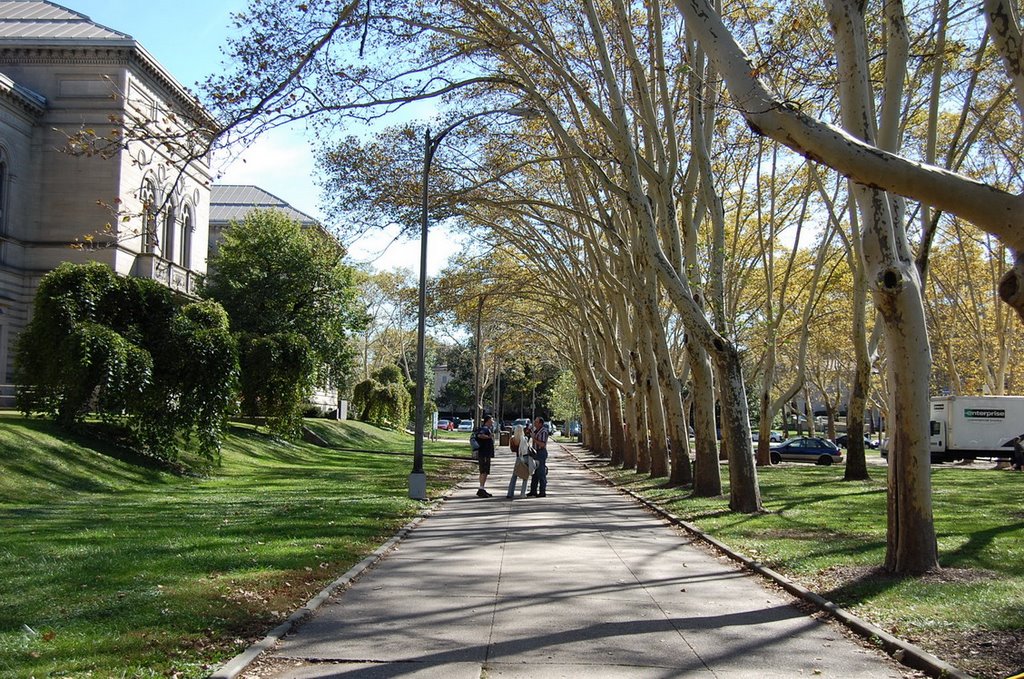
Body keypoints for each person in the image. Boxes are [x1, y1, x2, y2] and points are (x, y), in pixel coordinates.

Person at [506, 424, 536, 498]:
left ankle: (510, 493)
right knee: (525, 476)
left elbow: (512, 449)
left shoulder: (512, 439)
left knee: (514, 476)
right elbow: (527, 449)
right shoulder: (524, 438)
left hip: (518, 458)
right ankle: (523, 493)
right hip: (525, 458)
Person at [526, 416, 550, 497]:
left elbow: (542, 444)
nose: (534, 423)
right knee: (534, 472)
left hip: (541, 452)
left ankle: (542, 491)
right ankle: (533, 490)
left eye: (536, 422)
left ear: (540, 423)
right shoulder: (536, 430)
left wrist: (534, 439)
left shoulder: (543, 432)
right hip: (535, 452)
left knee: (541, 472)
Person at [475, 416, 496, 497]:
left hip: (485, 453)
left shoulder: (487, 429)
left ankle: (482, 488)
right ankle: (481, 489)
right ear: (488, 421)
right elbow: (480, 435)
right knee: (484, 471)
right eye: (492, 420)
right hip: (484, 453)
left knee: (484, 471)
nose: (493, 422)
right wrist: (488, 437)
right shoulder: (485, 429)